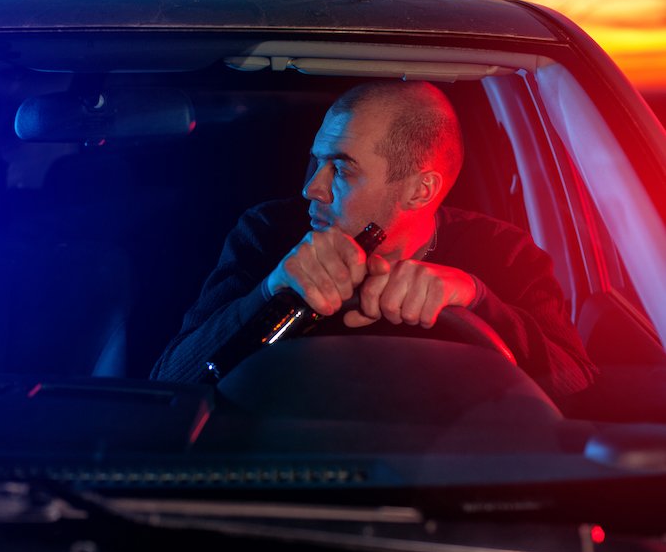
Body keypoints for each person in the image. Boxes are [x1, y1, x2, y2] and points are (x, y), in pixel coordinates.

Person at [150, 80, 596, 405]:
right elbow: (170, 383)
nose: (312, 189)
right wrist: (271, 289)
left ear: (420, 190)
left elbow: (580, 389)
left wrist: (476, 298)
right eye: (316, 162)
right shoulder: (268, 232)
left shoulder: (503, 252)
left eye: (341, 170)